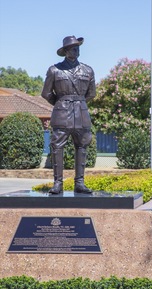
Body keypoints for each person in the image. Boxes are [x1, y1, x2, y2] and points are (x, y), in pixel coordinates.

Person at [41, 35, 96, 194]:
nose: (76, 49)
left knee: (82, 147)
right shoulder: (54, 70)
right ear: (65, 51)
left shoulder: (88, 70)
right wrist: (61, 104)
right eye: (73, 47)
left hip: (81, 114)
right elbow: (46, 93)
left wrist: (78, 103)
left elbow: (91, 94)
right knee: (57, 147)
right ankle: (58, 183)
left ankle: (80, 182)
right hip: (61, 114)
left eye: (78, 47)